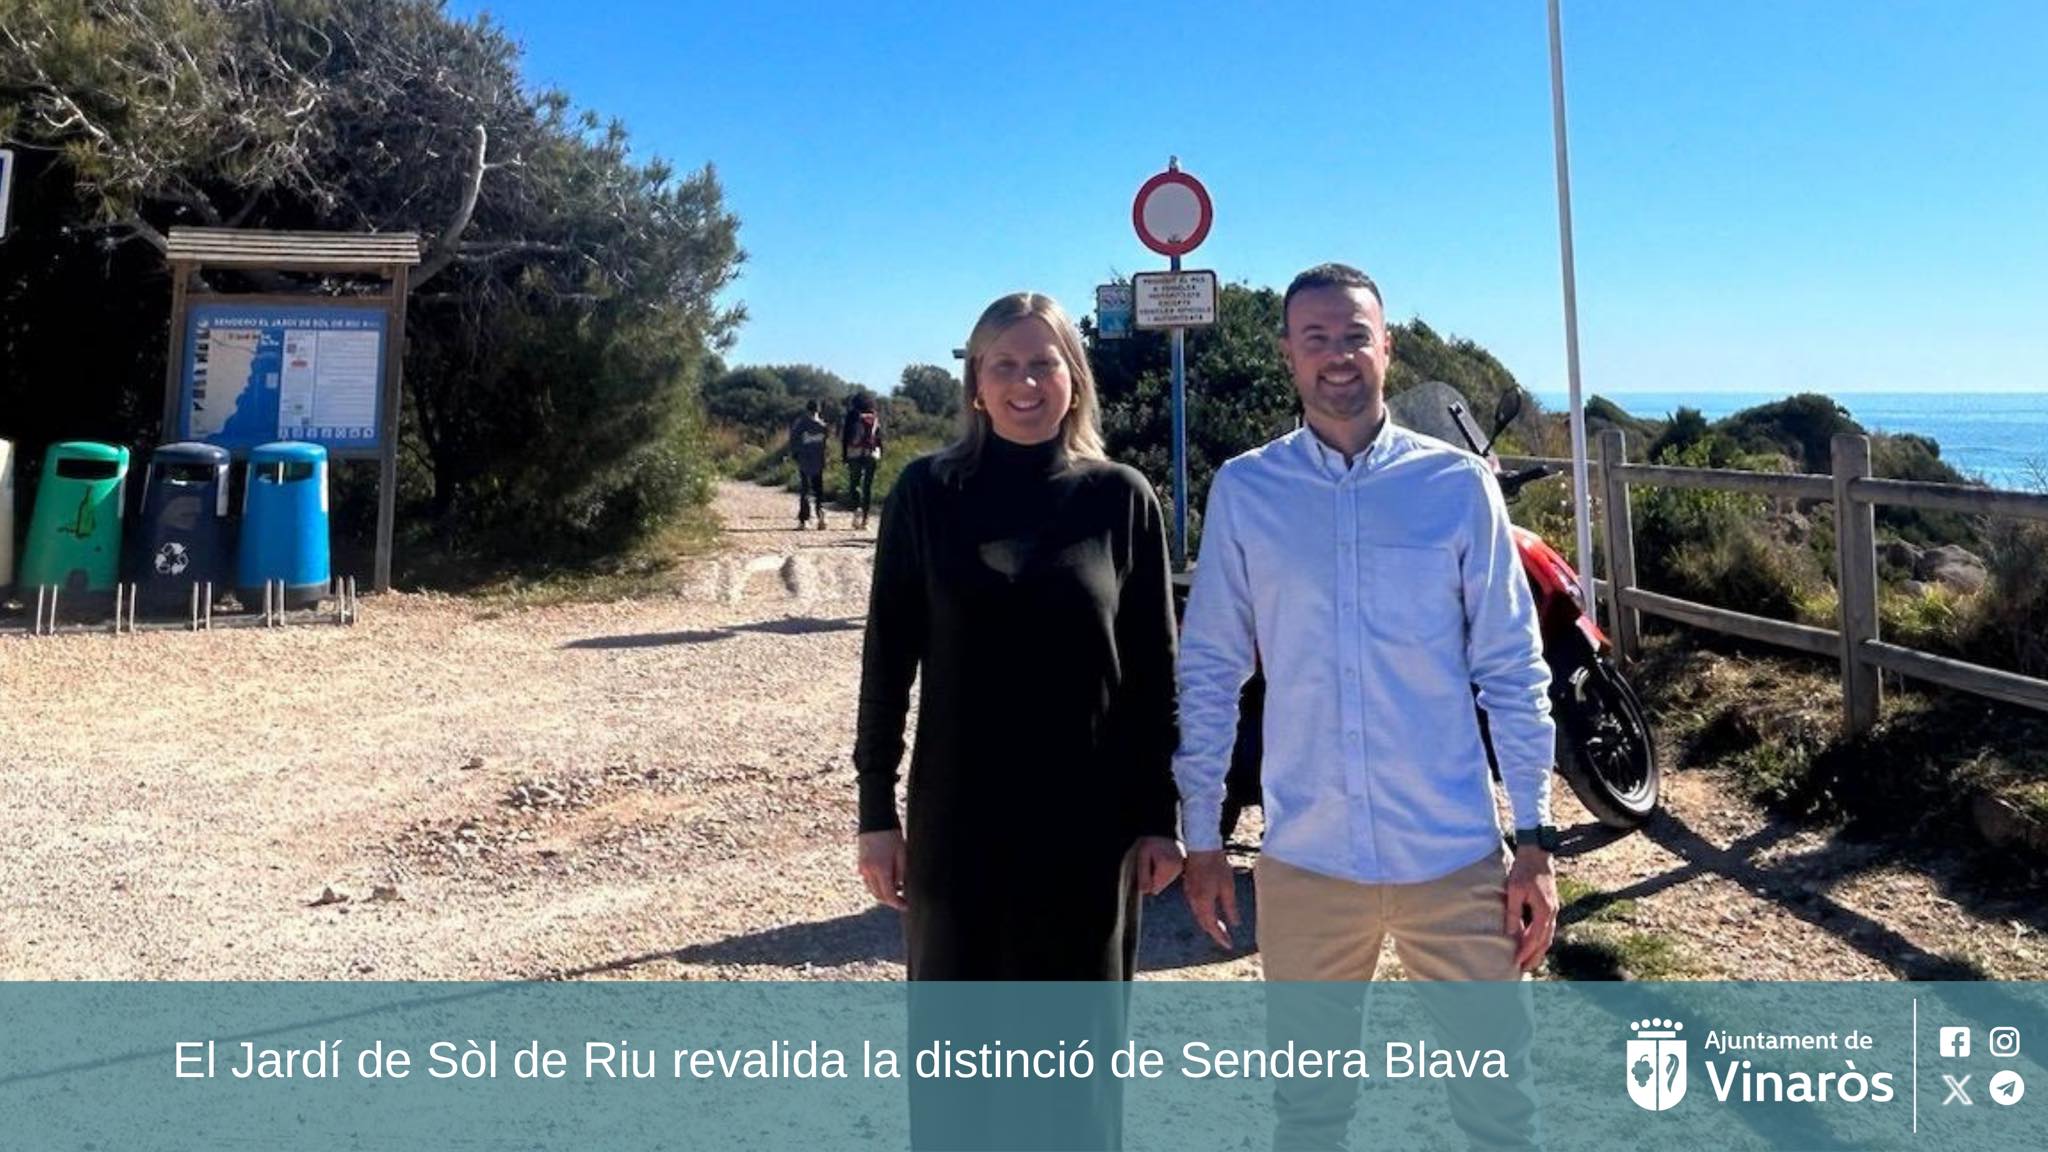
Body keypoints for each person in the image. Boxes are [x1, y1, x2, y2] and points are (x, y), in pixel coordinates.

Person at [1173, 263, 1556, 1150]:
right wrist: (1201, 836)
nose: (1337, 356)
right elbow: (1209, 671)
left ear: (1386, 346)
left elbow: (1512, 666)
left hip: (1455, 859)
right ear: (1287, 356)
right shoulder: (1246, 491)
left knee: (1500, 1113)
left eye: (1354, 336)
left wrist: (1534, 843)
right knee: (1310, 1117)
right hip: (1308, 862)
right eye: (1316, 339)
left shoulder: (1459, 487)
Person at [853, 292, 1183, 1149]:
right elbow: (887, 659)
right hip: (959, 820)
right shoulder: (927, 493)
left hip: (1087, 830)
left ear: (1074, 380)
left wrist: (1162, 817)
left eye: (1044, 363)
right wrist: (874, 813)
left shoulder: (1121, 499)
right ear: (974, 384)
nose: (1024, 382)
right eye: (1004, 365)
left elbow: (1155, 675)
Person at [841, 392, 885, 529]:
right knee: (868, 486)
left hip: (854, 453)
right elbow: (879, 436)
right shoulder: (874, 415)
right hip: (871, 453)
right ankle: (866, 518)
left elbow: (845, 436)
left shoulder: (852, 415)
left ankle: (856, 510)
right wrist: (880, 451)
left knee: (854, 484)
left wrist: (844, 455)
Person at [788, 398, 831, 529]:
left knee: (805, 490)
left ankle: (804, 520)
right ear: (819, 410)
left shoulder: (801, 424)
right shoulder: (823, 426)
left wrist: (795, 455)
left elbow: (793, 441)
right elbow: (826, 445)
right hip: (819, 461)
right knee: (819, 490)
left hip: (805, 461)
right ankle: (821, 516)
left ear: (807, 410)